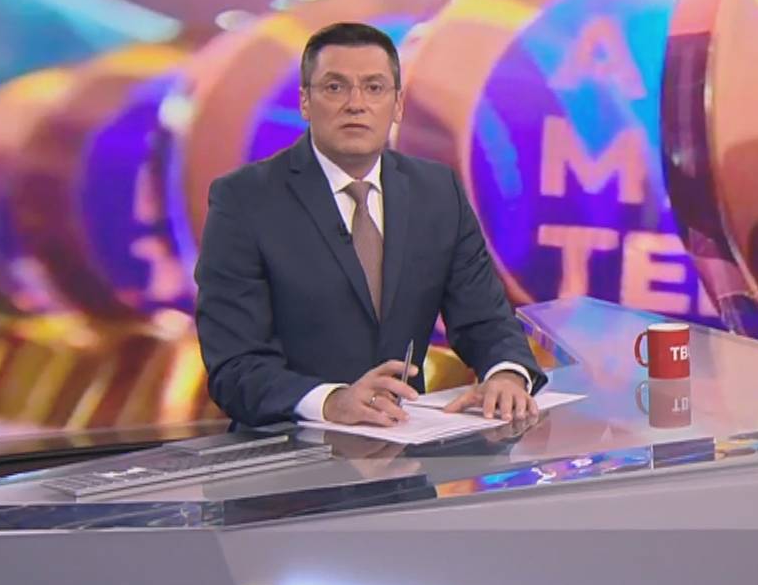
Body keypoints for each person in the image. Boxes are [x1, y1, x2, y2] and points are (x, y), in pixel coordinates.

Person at [195, 21, 544, 428]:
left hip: (404, 445)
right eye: (335, 87)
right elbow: (235, 366)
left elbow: (485, 318)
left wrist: (506, 373)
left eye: (374, 88)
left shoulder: (438, 191)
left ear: (397, 105)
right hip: (288, 447)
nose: (356, 104)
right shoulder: (244, 199)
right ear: (305, 102)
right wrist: (331, 401)